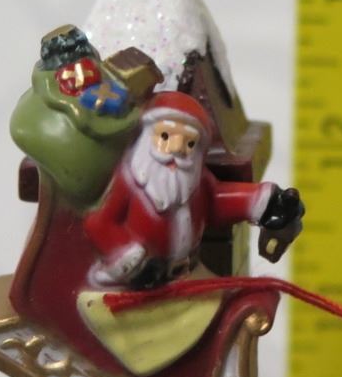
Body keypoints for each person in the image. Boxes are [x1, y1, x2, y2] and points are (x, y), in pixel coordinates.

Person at [82, 92, 302, 288]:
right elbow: (99, 223)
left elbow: (218, 201)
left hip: (187, 274)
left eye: (189, 143)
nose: (177, 149)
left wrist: (267, 202)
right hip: (141, 283)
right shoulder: (129, 181)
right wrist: (132, 260)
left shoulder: (195, 182)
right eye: (165, 136)